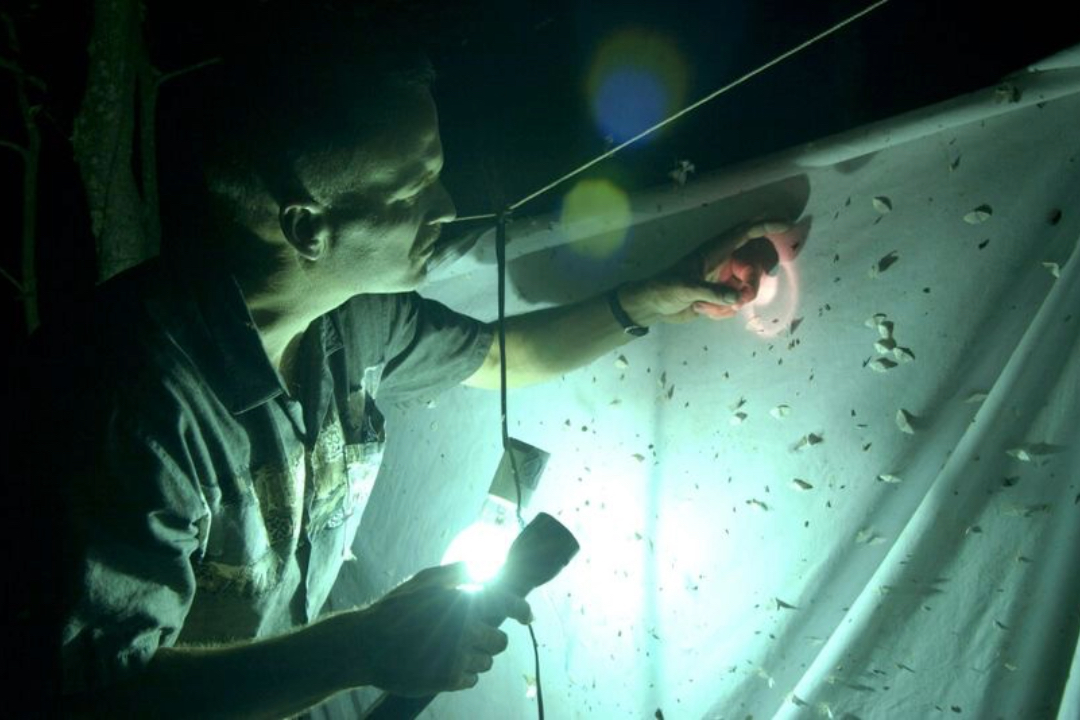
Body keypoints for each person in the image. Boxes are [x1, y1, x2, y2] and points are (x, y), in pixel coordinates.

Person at [5, 11, 785, 719]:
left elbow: (506, 355)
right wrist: (359, 648)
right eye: (411, 189)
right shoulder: (133, 405)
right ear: (308, 226)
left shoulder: (354, 318)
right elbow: (101, 701)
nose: (445, 206)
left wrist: (650, 298)